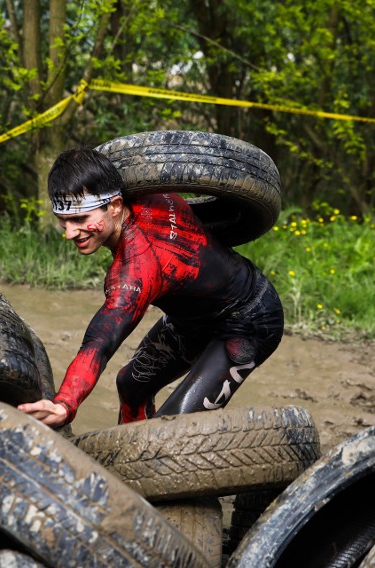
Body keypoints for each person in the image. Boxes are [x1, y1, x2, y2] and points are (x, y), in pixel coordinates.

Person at [18, 146, 284, 428]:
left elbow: (101, 340)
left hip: (249, 319)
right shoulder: (148, 193)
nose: (70, 233)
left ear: (116, 206)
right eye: (64, 221)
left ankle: (158, 464)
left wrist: (64, 403)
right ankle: (131, 460)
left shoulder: (137, 268)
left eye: (80, 219)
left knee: (174, 428)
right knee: (131, 384)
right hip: (192, 320)